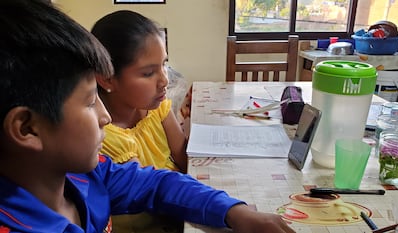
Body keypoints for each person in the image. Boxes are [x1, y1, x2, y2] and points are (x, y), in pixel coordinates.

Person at [0, 1, 295, 233]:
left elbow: (158, 184)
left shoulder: (86, 175)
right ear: (27, 128)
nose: (103, 116)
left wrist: (234, 212)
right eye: (90, 102)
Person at [91, 11, 188, 174]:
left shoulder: (157, 106)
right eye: (149, 73)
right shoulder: (105, 137)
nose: (165, 80)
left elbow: (185, 159)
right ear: (107, 79)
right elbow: (151, 189)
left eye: (164, 64)